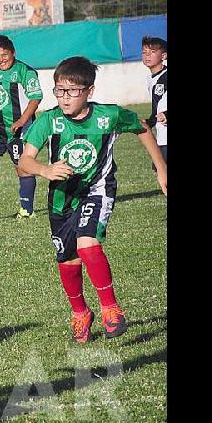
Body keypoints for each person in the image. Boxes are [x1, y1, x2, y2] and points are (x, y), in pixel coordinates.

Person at [15, 56, 166, 343]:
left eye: (72, 91)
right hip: (61, 199)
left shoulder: (108, 116)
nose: (64, 97)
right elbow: (25, 161)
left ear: (89, 92)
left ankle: (111, 309)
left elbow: (142, 128)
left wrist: (162, 169)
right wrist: (45, 170)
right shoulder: (49, 120)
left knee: (88, 243)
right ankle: (80, 313)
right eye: (59, 90)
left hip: (97, 188)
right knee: (67, 260)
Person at [0, 35, 44, 221]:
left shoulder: (25, 72)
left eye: (5, 55)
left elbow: (36, 97)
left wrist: (22, 120)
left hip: (18, 130)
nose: (1, 59)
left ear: (13, 53)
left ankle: (27, 209)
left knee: (22, 167)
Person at [141, 36, 168, 169]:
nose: (147, 56)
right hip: (162, 134)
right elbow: (157, 107)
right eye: (144, 52)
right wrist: (150, 122)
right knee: (159, 168)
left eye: (152, 52)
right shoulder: (151, 79)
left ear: (163, 55)